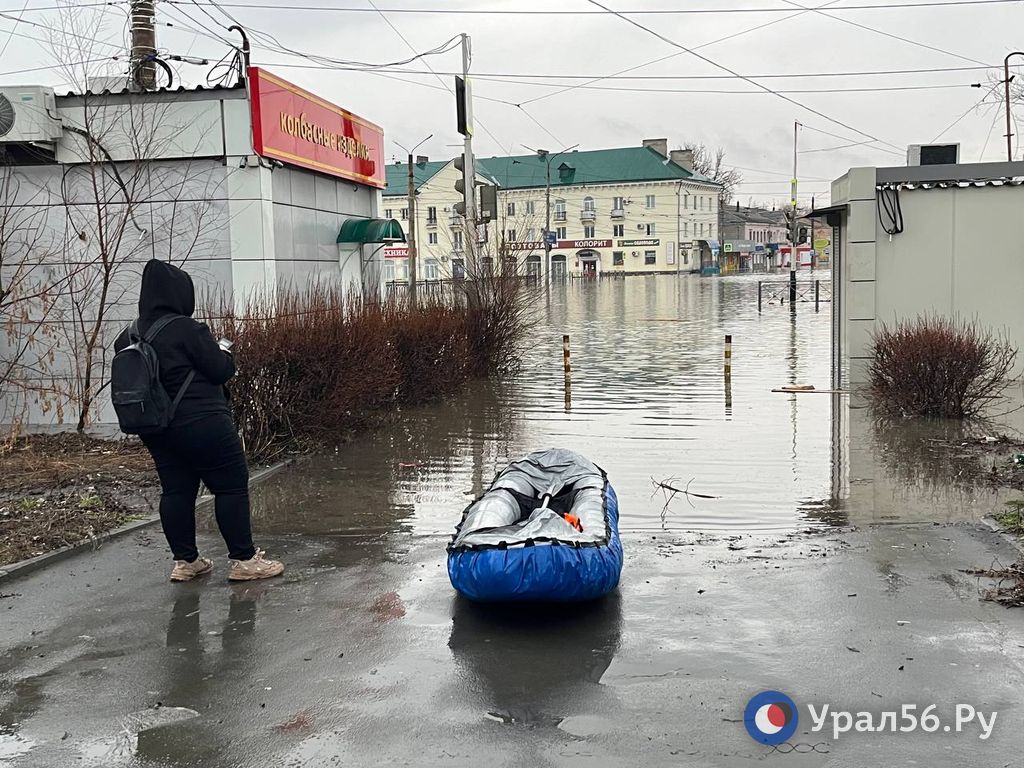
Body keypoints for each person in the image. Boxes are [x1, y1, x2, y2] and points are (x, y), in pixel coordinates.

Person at [114, 260, 284, 583]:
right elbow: (221, 370)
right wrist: (225, 352)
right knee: (231, 485)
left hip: (157, 428)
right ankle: (245, 560)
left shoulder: (128, 336)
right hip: (204, 423)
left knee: (176, 491)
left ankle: (186, 562)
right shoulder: (188, 329)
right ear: (180, 294)